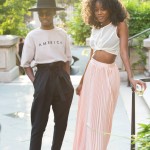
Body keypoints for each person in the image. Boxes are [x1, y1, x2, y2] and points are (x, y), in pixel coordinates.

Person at [73, 0, 146, 150]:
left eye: (103, 9)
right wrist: (82, 81)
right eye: (96, 9)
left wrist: (131, 77)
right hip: (92, 73)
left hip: (107, 74)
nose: (99, 12)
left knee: (101, 118)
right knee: (88, 118)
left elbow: (124, 52)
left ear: (111, 9)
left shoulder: (120, 25)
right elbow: (92, 56)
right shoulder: (96, 28)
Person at [21, 0, 74, 149]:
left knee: (61, 123)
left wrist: (67, 80)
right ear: (38, 15)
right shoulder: (33, 35)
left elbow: (67, 61)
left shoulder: (62, 34)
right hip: (43, 76)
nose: (45, 16)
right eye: (41, 13)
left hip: (61, 78)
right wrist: (36, 83)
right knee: (38, 124)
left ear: (54, 13)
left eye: (48, 13)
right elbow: (26, 64)